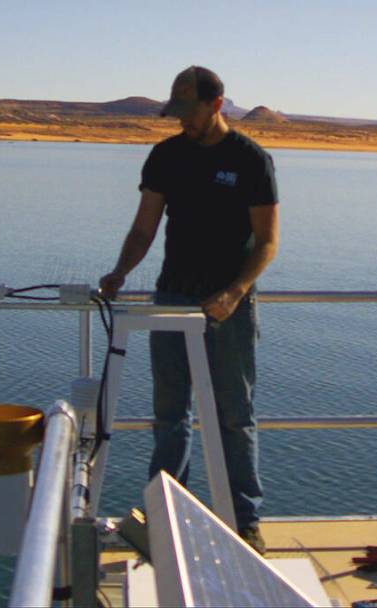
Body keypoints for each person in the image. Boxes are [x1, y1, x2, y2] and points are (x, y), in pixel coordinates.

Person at [99, 65, 279, 554]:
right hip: (172, 298)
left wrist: (236, 291)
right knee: (169, 414)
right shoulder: (164, 156)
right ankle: (167, 514)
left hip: (229, 305)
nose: (181, 121)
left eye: (189, 111)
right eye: (175, 111)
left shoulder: (250, 160)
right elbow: (144, 229)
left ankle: (244, 521)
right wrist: (118, 273)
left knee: (234, 415)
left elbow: (266, 242)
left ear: (216, 104)